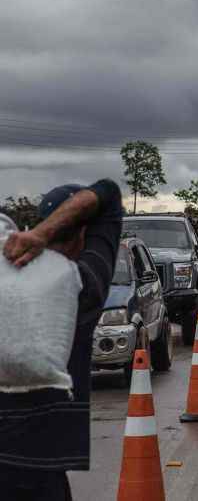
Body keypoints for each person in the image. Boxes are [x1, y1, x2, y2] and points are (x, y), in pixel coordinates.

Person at [0, 179, 122, 500]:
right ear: (83, 234)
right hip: (37, 464)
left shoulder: (4, 272)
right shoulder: (82, 286)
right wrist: (41, 236)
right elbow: (109, 193)